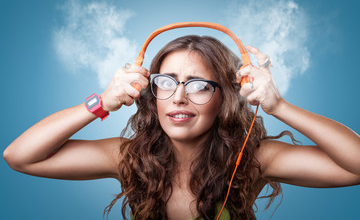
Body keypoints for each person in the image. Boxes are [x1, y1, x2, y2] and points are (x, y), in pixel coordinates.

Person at [3, 35, 360, 220]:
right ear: (151, 91)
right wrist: (102, 101)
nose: (179, 98)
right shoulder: (128, 156)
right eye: (167, 82)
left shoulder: (255, 158)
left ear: (226, 97)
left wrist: (279, 106)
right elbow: (19, 157)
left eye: (199, 85)